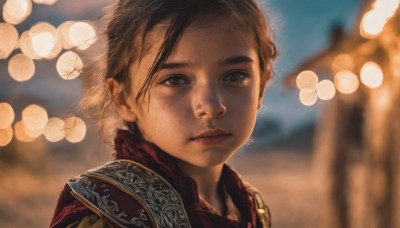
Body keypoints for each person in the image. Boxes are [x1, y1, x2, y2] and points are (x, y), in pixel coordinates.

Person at [50, 0, 277, 227]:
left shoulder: (249, 205)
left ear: (262, 86)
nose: (211, 106)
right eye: (175, 80)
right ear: (123, 99)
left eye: (235, 76)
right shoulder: (109, 213)